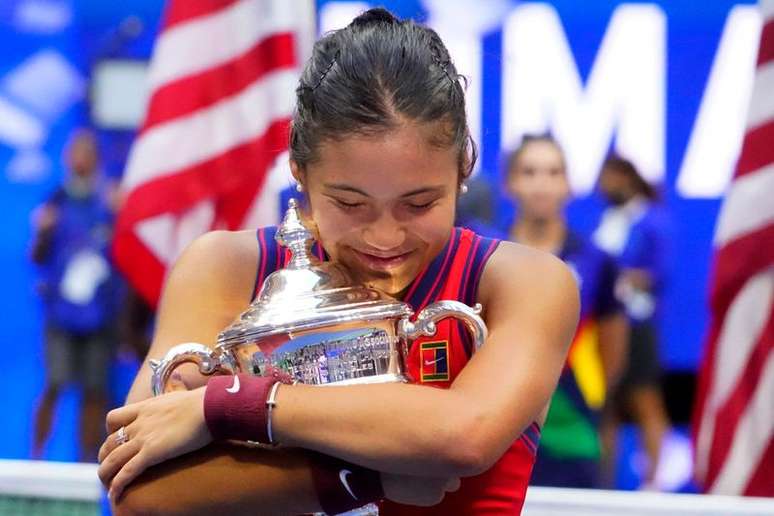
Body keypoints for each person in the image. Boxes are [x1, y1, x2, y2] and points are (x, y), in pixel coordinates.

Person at [97, 9, 579, 515]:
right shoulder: (224, 267)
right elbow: (137, 489)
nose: (385, 236)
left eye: (419, 204)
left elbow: (464, 436)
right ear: (299, 170)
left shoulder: (524, 282)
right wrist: (359, 477)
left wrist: (225, 405)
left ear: (464, 166)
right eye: (351, 204)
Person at [503, 135, 628, 488]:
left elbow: (612, 357)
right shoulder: (487, 254)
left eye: (553, 172)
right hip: (500, 434)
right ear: (510, 183)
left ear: (568, 184)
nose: (541, 184)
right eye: (530, 172)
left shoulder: (597, 260)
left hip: (574, 433)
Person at [30, 129, 121, 462]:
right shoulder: (55, 201)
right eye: (74, 151)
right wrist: (43, 231)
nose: (79, 158)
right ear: (67, 157)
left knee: (95, 390)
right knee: (54, 384)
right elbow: (37, 257)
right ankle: (35, 458)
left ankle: (86, 462)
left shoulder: (109, 202)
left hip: (100, 315)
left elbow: (123, 256)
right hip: (61, 315)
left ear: (96, 157)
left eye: (86, 152)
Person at [593, 155, 672, 489]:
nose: (601, 186)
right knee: (604, 403)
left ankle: (653, 484)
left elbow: (659, 272)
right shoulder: (611, 218)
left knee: (644, 399)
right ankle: (602, 485)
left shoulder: (651, 220)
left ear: (625, 177)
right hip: (606, 323)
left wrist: (620, 278)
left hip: (637, 324)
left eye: (607, 178)